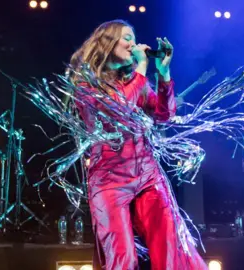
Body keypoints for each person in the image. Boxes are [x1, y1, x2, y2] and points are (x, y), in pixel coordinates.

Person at [69, 20, 208, 269]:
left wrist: (163, 74)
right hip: (109, 180)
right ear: (107, 42)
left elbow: (164, 114)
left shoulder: (136, 80)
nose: (133, 44)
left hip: (147, 174)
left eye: (133, 38)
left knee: (171, 249)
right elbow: (117, 112)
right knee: (123, 259)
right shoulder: (85, 85)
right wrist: (142, 70)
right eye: (126, 38)